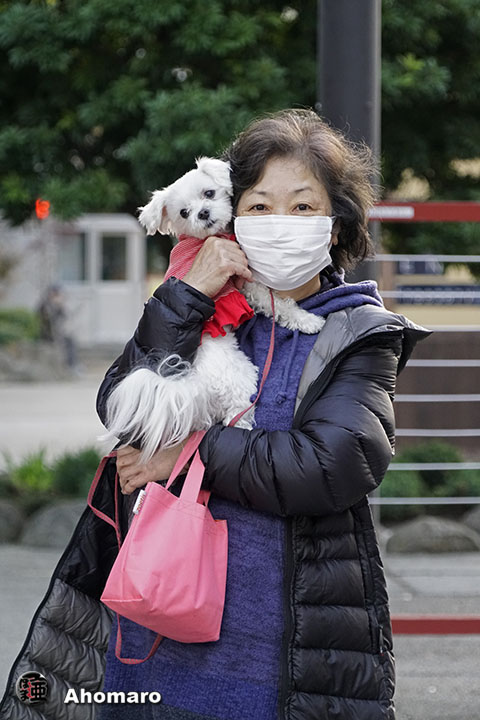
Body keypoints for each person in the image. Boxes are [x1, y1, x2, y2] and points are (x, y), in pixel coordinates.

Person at [0, 109, 429, 720]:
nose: (280, 222)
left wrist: (185, 453)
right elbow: (123, 410)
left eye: (303, 206)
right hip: (147, 638)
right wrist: (186, 296)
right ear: (232, 217)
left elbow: (328, 464)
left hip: (275, 657)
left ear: (335, 225)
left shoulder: (359, 333)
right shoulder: (206, 308)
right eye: (259, 206)